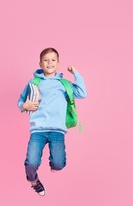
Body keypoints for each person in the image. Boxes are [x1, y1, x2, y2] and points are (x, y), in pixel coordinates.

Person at [17, 47, 87, 196]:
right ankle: (34, 181)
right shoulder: (34, 82)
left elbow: (82, 92)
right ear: (40, 64)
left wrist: (75, 72)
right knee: (31, 163)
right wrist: (25, 106)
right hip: (38, 131)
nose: (50, 63)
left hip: (57, 131)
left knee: (58, 164)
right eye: (46, 60)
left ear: (58, 63)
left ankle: (55, 165)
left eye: (53, 60)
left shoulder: (63, 84)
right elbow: (21, 101)